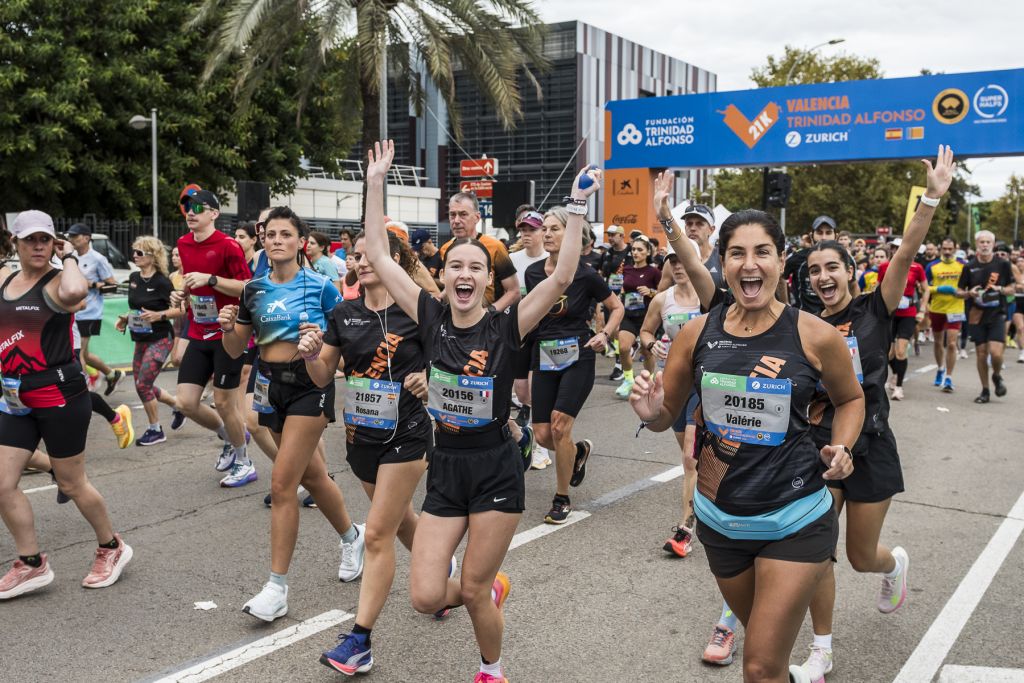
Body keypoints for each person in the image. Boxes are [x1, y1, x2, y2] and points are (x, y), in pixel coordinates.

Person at [354, 140, 600, 683]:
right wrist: (376, 182)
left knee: (466, 588)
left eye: (475, 267)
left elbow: (559, 278)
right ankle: (490, 588)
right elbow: (375, 249)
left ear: (489, 281)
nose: (464, 273)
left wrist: (578, 209)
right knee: (424, 597)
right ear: (442, 277)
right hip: (445, 471)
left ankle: (492, 668)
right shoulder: (428, 316)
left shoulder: (506, 326)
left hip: (495, 469)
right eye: (454, 266)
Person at [630, 208, 862, 683]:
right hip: (720, 521)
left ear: (780, 262)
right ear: (722, 260)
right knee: (766, 649)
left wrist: (841, 447)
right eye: (737, 253)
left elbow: (852, 398)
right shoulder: (696, 334)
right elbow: (664, 418)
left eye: (762, 252)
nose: (749, 264)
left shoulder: (815, 335)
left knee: (757, 666)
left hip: (795, 518)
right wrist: (651, 411)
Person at [798, 146, 954, 681]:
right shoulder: (805, 324)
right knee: (819, 548)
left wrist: (931, 196)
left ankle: (895, 565)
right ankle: (821, 651)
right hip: (823, 444)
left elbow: (908, 249)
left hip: (873, 444)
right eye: (815, 270)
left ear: (850, 271)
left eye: (832, 267)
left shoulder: (875, 307)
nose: (823, 276)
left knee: (862, 556)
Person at [218, 206, 364, 622]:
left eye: (286, 234)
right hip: (269, 385)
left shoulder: (321, 288)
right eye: (270, 234)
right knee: (312, 477)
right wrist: (230, 327)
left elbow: (345, 341)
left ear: (302, 243)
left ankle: (276, 589)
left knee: (283, 484)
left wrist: (322, 347)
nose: (276, 240)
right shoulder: (253, 289)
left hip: (310, 384)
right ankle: (352, 537)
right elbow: (235, 350)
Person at [313, 231, 439, 675]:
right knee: (401, 519)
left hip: (407, 434)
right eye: (357, 255)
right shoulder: (343, 313)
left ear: (393, 260)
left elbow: (450, 360)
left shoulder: (415, 310)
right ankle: (446, 585)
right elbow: (321, 375)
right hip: (359, 439)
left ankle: (360, 639)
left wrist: (428, 379)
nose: (361, 261)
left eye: (372, 255)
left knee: (378, 535)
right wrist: (311, 354)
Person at [0, 210, 133, 599]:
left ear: (54, 242)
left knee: (72, 483)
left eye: (45, 239)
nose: (38, 246)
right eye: (30, 240)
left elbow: (76, 293)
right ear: (16, 243)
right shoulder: (6, 279)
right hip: (15, 398)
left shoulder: (59, 280)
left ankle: (112, 547)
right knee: (2, 485)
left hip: (60, 395)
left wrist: (69, 255)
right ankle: (31, 563)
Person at [527, 206, 623, 523]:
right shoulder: (533, 272)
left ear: (570, 234)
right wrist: (520, 369)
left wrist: (605, 334)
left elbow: (616, 306)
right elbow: (530, 320)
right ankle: (578, 452)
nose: (548, 233)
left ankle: (562, 497)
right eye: (546, 228)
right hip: (543, 356)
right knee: (542, 435)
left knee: (558, 425)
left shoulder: (586, 274)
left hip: (578, 355)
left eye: (555, 228)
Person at [169, 188, 255, 486]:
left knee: (223, 402)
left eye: (197, 207)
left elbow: (248, 287)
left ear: (214, 214)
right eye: (186, 207)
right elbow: (193, 286)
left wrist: (212, 280)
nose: (190, 212)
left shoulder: (228, 246)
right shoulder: (182, 243)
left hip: (227, 332)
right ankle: (231, 436)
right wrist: (182, 292)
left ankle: (244, 462)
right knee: (186, 402)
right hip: (198, 330)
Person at [114, 236, 182, 445]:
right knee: (142, 384)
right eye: (134, 251)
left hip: (160, 338)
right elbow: (137, 307)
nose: (134, 255)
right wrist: (126, 318)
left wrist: (158, 315)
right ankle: (178, 405)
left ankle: (156, 429)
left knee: (143, 384)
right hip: (140, 337)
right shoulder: (134, 277)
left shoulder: (162, 281)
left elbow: (180, 309)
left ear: (152, 257)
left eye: (139, 253)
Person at [508, 210, 550, 469]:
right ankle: (536, 430)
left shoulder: (549, 260)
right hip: (519, 331)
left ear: (543, 232)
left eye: (531, 230)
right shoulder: (512, 259)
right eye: (522, 230)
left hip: (546, 332)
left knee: (536, 390)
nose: (526, 235)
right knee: (522, 392)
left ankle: (541, 448)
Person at [957, 230, 1019, 403]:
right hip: (976, 315)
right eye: (981, 242)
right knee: (981, 353)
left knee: (996, 353)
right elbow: (959, 291)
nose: (984, 245)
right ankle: (985, 390)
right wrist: (969, 293)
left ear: (993, 244)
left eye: (988, 242)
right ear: (977, 244)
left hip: (997, 313)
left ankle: (997, 375)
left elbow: (1012, 288)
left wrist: (1001, 289)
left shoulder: (1003, 264)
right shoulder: (969, 266)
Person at [66, 223, 124, 395]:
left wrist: (91, 284)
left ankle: (83, 392)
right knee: (86, 354)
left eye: (75, 236)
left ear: (86, 237)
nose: (71, 239)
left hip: (90, 311)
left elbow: (113, 284)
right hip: (75, 311)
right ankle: (113, 374)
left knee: (79, 354)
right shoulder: (71, 258)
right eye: (70, 236)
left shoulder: (97, 258)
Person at [439, 192, 520, 312]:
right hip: (456, 321)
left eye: (463, 214)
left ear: (477, 217)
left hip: (489, 322)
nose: (456, 220)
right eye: (452, 215)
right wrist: (438, 298)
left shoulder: (495, 247)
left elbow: (514, 291)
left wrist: (489, 313)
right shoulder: (446, 249)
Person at [878, 248, 928, 401]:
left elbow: (926, 290)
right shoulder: (885, 267)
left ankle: (899, 387)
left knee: (901, 351)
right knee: (889, 353)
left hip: (908, 313)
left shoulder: (917, 267)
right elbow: (879, 288)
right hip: (890, 314)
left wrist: (923, 309)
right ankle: (896, 373)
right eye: (894, 248)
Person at [613, 237, 661, 399]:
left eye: (640, 250)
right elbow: (619, 286)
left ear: (648, 252)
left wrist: (651, 292)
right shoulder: (626, 269)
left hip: (647, 317)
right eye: (633, 249)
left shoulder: (654, 272)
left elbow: (664, 292)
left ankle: (649, 380)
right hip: (629, 315)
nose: (636, 252)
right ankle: (628, 380)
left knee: (647, 352)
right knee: (624, 347)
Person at [926, 237, 966, 392]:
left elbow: (968, 285)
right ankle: (940, 368)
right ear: (940, 249)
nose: (948, 252)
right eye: (945, 249)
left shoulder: (963, 265)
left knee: (951, 343)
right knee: (937, 342)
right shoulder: (932, 266)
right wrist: (940, 289)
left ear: (955, 248)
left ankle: (948, 378)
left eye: (951, 249)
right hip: (937, 308)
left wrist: (963, 293)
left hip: (955, 309)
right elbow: (924, 287)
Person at [783, 215, 837, 314]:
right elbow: (780, 276)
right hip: (804, 318)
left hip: (836, 319)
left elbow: (853, 284)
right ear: (811, 236)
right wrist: (784, 303)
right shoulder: (798, 257)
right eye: (819, 233)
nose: (824, 237)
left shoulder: (845, 259)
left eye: (828, 232)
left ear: (836, 236)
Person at [600, 224, 631, 381]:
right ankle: (626, 350)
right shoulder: (607, 254)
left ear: (621, 236)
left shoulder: (631, 252)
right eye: (609, 235)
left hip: (626, 297)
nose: (610, 238)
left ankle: (619, 363)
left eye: (613, 235)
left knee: (619, 330)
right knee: (610, 331)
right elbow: (601, 272)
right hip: (609, 296)